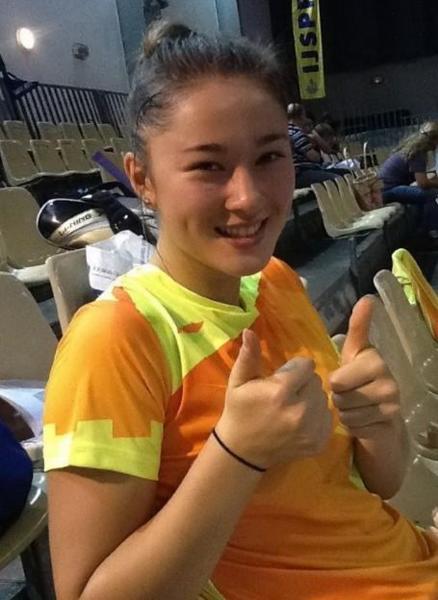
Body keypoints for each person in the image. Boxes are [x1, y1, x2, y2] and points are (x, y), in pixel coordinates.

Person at [44, 21, 438, 600]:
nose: (249, 196)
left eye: (269, 156)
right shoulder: (115, 340)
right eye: (209, 166)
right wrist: (236, 454)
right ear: (142, 179)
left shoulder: (276, 281)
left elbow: (375, 487)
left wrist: (377, 425)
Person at [380, 121, 438, 239]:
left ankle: (422, 230)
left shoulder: (411, 149)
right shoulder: (418, 153)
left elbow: (422, 178)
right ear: (433, 140)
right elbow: (423, 183)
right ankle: (433, 231)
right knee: (430, 194)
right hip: (389, 190)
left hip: (389, 188)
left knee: (422, 196)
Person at [287, 103, 349, 188]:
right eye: (304, 116)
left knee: (344, 173)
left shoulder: (286, 131)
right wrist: (315, 145)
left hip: (296, 173)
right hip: (303, 172)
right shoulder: (297, 133)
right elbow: (314, 157)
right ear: (301, 116)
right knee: (339, 179)